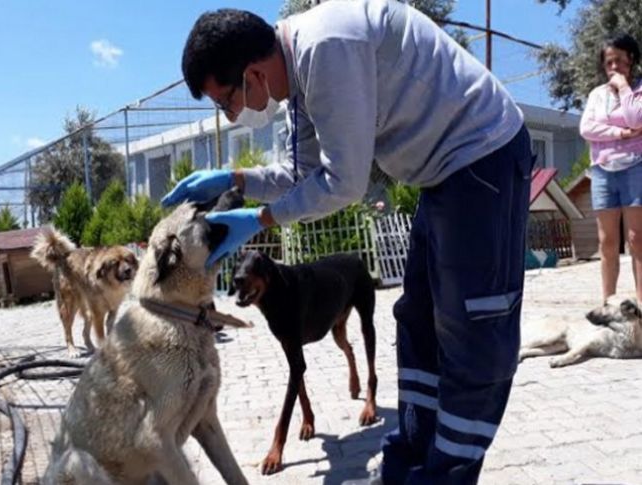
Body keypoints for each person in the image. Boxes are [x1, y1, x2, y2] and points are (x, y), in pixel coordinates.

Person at [163, 1, 534, 483]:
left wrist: (260, 219)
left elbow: (343, 182)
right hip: (442, 176)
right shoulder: (298, 76)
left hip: (481, 158)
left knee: (472, 328)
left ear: (252, 73)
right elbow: (301, 175)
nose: (232, 114)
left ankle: (445, 475)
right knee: (418, 320)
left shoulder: (327, 49)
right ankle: (407, 465)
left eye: (225, 101)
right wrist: (235, 178)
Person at [579, 33, 642, 304]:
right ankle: (609, 302)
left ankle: (640, 303)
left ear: (632, 60)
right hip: (603, 170)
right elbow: (587, 128)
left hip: (636, 166)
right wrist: (622, 134)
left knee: (637, 237)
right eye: (608, 63)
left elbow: (636, 117)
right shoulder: (597, 95)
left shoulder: (638, 91)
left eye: (619, 61)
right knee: (607, 241)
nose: (614, 68)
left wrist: (625, 89)